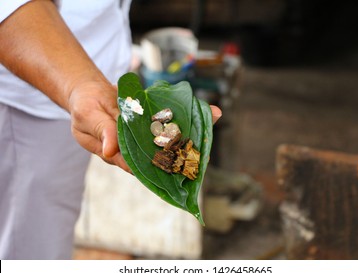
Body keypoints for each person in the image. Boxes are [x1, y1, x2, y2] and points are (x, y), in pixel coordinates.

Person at [0, 0, 222, 259]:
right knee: (31, 248)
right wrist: (79, 86)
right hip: (31, 88)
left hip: (93, 78)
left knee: (52, 221)